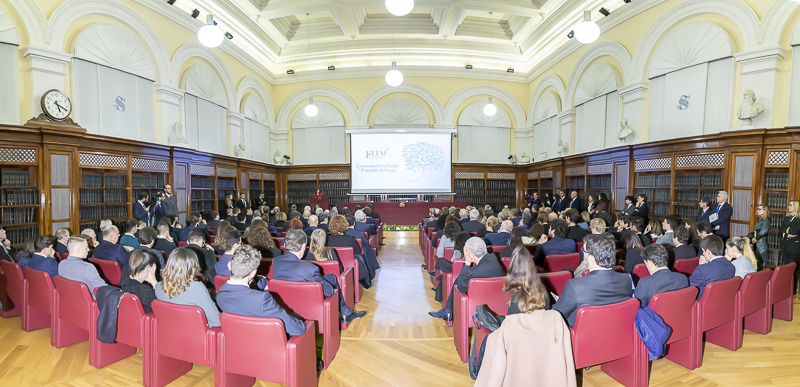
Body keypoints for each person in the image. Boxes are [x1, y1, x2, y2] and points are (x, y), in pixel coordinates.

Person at [475, 247, 574, 387]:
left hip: (519, 350)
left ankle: (476, 371)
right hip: (542, 343)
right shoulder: (543, 292)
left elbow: (511, 331)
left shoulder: (516, 300)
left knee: (487, 335)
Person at [273, 230, 367, 324]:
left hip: (285, 301)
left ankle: (346, 311)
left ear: (285, 245)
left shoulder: (276, 262)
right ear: (302, 246)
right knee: (331, 280)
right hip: (309, 302)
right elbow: (329, 291)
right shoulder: (310, 268)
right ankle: (346, 312)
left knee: (330, 277)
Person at [216, 245, 306, 337]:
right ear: (253, 273)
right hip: (266, 345)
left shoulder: (220, 295)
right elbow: (297, 329)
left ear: (229, 265)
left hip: (237, 343)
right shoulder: (262, 299)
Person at [553, 234, 633, 326]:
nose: (582, 253)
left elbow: (557, 313)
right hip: (617, 333)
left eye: (584, 251)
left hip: (581, 337)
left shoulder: (575, 285)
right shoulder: (626, 279)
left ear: (591, 259)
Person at [429, 237, 505, 321]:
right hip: (499, 302)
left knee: (458, 281)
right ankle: (447, 311)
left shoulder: (474, 272)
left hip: (479, 306)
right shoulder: (494, 258)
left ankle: (447, 311)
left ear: (471, 255)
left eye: (466, 252)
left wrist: (467, 263)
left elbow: (460, 286)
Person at [155, 247, 221, 327]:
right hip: (196, 336)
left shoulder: (158, 287)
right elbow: (217, 322)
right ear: (193, 266)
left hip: (169, 334)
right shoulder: (197, 288)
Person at [327, 215, 373, 285]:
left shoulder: (327, 240)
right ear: (345, 225)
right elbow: (358, 252)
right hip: (350, 267)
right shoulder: (350, 239)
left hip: (332, 269)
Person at [780, 200, 800, 294]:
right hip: (786, 246)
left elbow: (795, 231)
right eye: (788, 205)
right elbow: (780, 230)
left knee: (794, 269)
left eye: (791, 205)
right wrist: (787, 233)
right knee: (786, 268)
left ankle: (793, 290)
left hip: (795, 247)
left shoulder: (799, 219)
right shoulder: (787, 217)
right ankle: (786, 288)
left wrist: (786, 231)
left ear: (796, 207)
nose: (788, 206)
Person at [747, 204, 770, 270]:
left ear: (765, 211)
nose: (758, 210)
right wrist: (751, 238)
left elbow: (762, 232)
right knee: (755, 262)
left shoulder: (766, 220)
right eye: (757, 209)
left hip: (761, 244)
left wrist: (755, 239)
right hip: (756, 243)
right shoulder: (759, 220)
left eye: (760, 209)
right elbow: (754, 231)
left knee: (760, 263)